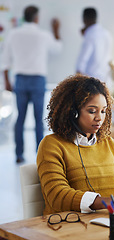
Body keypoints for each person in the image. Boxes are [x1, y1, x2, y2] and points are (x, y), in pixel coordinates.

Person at [37, 74, 114, 215]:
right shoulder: (52, 145)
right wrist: (107, 201)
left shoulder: (109, 144)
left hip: (104, 225)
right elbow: (57, 195)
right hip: (66, 227)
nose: (99, 118)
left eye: (103, 111)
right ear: (72, 112)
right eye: (92, 111)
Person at [1, 5, 62, 163]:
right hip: (37, 80)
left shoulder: (14, 34)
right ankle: (39, 155)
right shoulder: (43, 35)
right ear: (36, 18)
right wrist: (56, 29)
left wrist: (6, 80)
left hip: (20, 79)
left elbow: (5, 59)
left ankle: (19, 154)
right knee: (37, 119)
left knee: (20, 118)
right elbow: (57, 48)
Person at [76, 8, 113, 90]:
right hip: (106, 80)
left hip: (92, 83)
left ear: (84, 19)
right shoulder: (106, 34)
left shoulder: (90, 35)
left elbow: (82, 61)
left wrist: (76, 85)